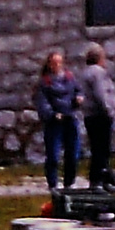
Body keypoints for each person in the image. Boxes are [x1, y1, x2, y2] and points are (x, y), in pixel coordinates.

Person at [33, 50, 82, 190]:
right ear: (49, 64)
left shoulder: (69, 77)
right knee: (53, 155)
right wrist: (52, 114)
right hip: (54, 121)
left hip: (70, 117)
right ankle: (53, 183)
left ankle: (69, 182)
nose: (57, 65)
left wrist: (79, 98)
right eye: (54, 63)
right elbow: (42, 102)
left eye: (59, 63)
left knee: (73, 153)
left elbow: (78, 90)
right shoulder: (44, 82)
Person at [80, 43, 115, 190]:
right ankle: (101, 178)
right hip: (100, 115)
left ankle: (99, 176)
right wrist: (109, 110)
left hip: (90, 115)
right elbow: (101, 93)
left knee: (96, 148)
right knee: (103, 148)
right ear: (100, 58)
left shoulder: (85, 73)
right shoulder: (98, 73)